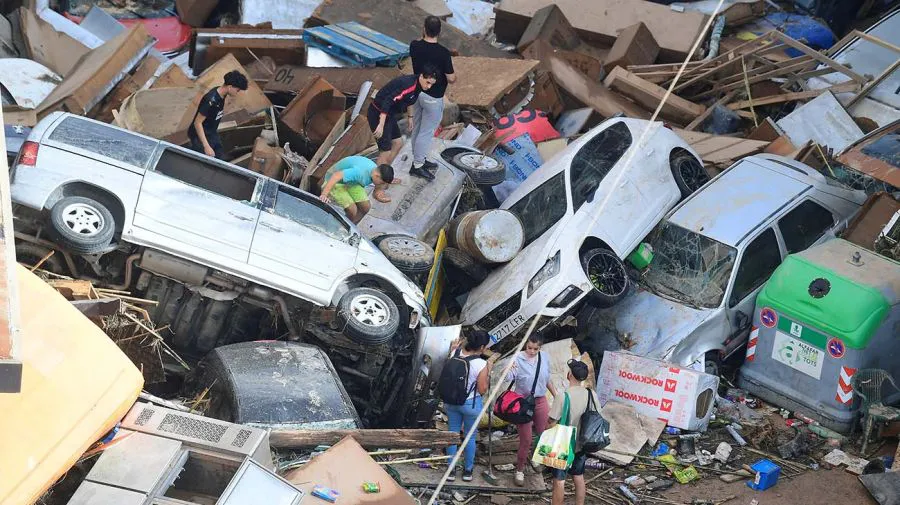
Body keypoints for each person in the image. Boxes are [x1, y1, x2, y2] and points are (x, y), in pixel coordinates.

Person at [367, 65, 440, 179]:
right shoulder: (408, 85)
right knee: (385, 151)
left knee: (398, 143)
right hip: (378, 113)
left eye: (432, 84)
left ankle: (385, 175)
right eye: (428, 82)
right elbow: (388, 101)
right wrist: (381, 124)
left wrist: (410, 117)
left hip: (389, 115)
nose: (429, 86)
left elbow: (410, 100)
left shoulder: (419, 85)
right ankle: (378, 181)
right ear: (421, 76)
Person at [507, 334, 559, 486]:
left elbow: (547, 378)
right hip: (523, 402)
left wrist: (556, 395)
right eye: (529, 348)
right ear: (525, 346)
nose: (532, 351)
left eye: (536, 349)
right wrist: (508, 370)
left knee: (545, 433)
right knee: (526, 439)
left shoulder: (544, 357)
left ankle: (536, 458)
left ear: (540, 348)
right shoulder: (518, 358)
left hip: (540, 399)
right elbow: (508, 377)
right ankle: (520, 469)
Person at [408, 16, 456, 177]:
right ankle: (418, 164)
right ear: (439, 32)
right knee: (426, 132)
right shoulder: (443, 53)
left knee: (417, 128)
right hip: (433, 97)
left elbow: (419, 40)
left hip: (417, 92)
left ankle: (419, 158)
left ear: (424, 28)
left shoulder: (414, 46)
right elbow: (451, 78)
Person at [445, 330, 494, 482]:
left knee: (452, 434)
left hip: (451, 402)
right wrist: (488, 371)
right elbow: (482, 389)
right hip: (470, 404)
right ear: (482, 347)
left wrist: (453, 348)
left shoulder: (455, 354)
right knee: (470, 437)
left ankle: (451, 470)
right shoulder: (481, 364)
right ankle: (467, 471)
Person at [549, 359, 599, 505]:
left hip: (563, 444)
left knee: (559, 480)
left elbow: (552, 421)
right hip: (583, 441)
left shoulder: (563, 396)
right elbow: (597, 415)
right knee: (578, 476)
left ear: (569, 375)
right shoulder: (591, 394)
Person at [189, 70, 248, 159]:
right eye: (237, 90)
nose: (237, 93)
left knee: (220, 155)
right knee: (207, 159)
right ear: (230, 87)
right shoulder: (211, 100)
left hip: (211, 132)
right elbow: (197, 123)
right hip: (200, 135)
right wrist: (206, 146)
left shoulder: (222, 93)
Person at [318, 155, 394, 223]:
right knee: (352, 210)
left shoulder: (374, 171)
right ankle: (339, 227)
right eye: (381, 183)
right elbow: (336, 176)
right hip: (334, 181)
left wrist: (377, 193)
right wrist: (324, 194)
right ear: (377, 176)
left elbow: (378, 184)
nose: (381, 185)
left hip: (353, 182)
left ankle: (351, 226)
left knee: (365, 207)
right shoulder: (358, 172)